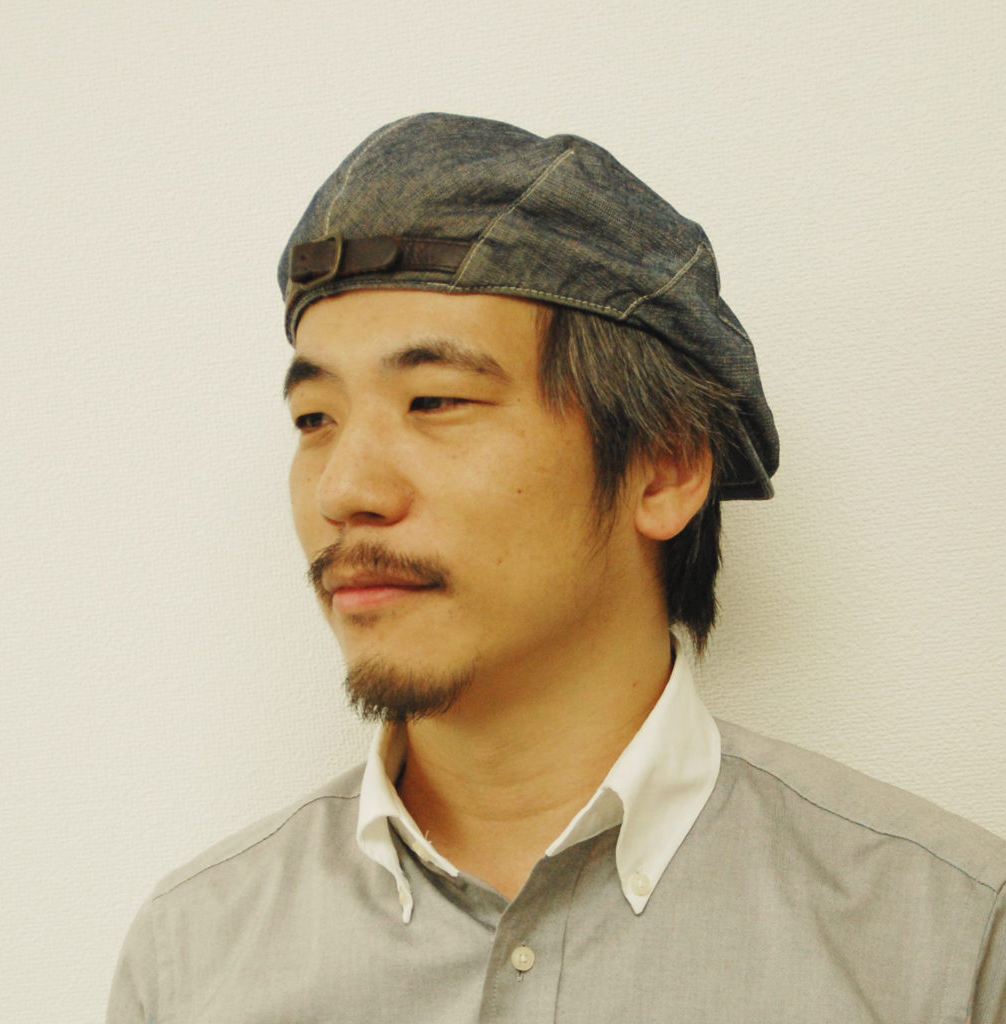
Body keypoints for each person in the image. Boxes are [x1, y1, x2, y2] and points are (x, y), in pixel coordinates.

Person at [107, 113, 1006, 1023]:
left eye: (435, 401)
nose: (344, 490)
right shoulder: (194, 957)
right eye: (314, 420)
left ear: (663, 467)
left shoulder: (943, 941)